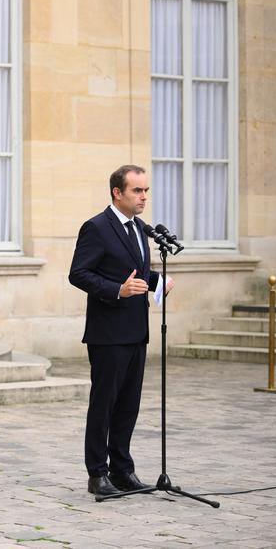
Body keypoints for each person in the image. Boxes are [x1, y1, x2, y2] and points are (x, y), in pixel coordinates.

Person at [68, 164, 174, 499]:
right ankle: (97, 474)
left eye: (146, 191)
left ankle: (122, 470)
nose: (144, 197)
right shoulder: (97, 228)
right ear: (118, 192)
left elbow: (136, 270)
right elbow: (78, 274)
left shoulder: (140, 228)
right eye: (137, 191)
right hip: (107, 333)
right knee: (105, 405)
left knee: (128, 405)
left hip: (136, 331)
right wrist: (117, 290)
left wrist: (159, 281)